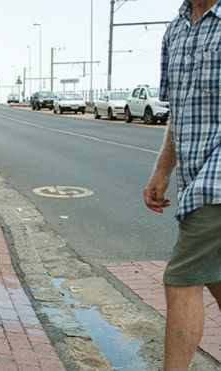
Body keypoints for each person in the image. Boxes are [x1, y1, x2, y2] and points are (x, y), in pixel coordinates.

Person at [143, 1, 221, 369]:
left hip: (216, 181)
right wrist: (162, 169)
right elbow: (181, 108)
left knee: (181, 279)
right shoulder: (176, 29)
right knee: (216, 279)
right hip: (195, 175)